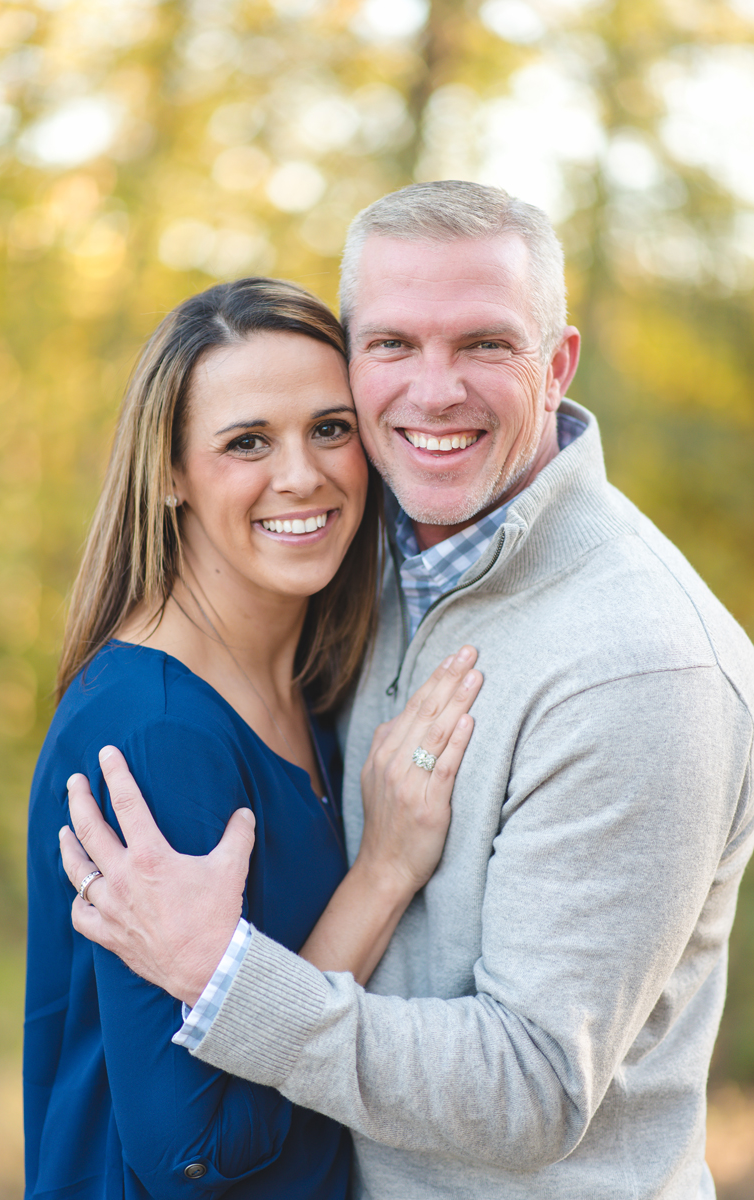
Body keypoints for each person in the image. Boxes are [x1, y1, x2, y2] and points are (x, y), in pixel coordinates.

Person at [60, 182, 754, 1200]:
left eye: (484, 344)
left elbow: (535, 1087)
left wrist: (232, 981)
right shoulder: (350, 566)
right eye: (392, 345)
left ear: (557, 364)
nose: (435, 392)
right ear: (350, 359)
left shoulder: (639, 666)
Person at [25, 276, 485, 1199]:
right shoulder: (159, 736)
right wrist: (384, 872)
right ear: (168, 473)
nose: (302, 475)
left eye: (330, 428)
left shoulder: (302, 682)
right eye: (246, 442)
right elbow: (193, 1152)